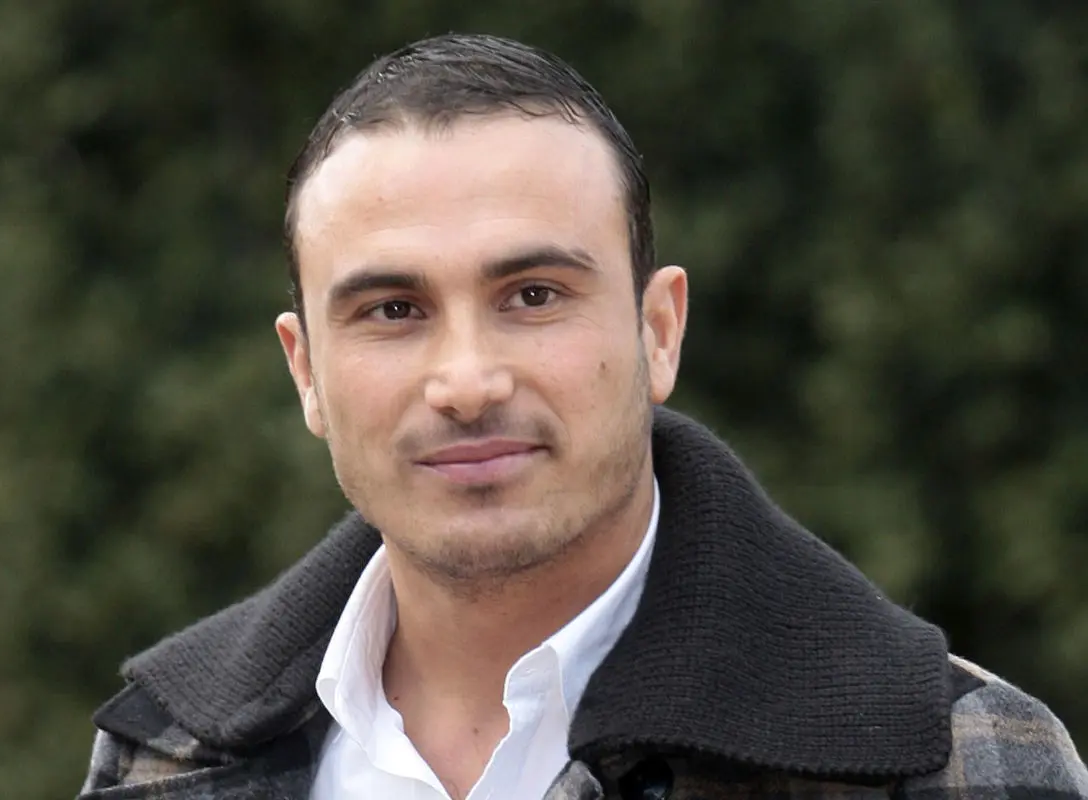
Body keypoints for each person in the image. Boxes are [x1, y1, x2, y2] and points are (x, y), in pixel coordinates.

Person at [77, 33, 1088, 800]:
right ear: (306, 372)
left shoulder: (955, 760)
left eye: (533, 296)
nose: (466, 382)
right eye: (393, 310)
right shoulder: (165, 751)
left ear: (659, 331)